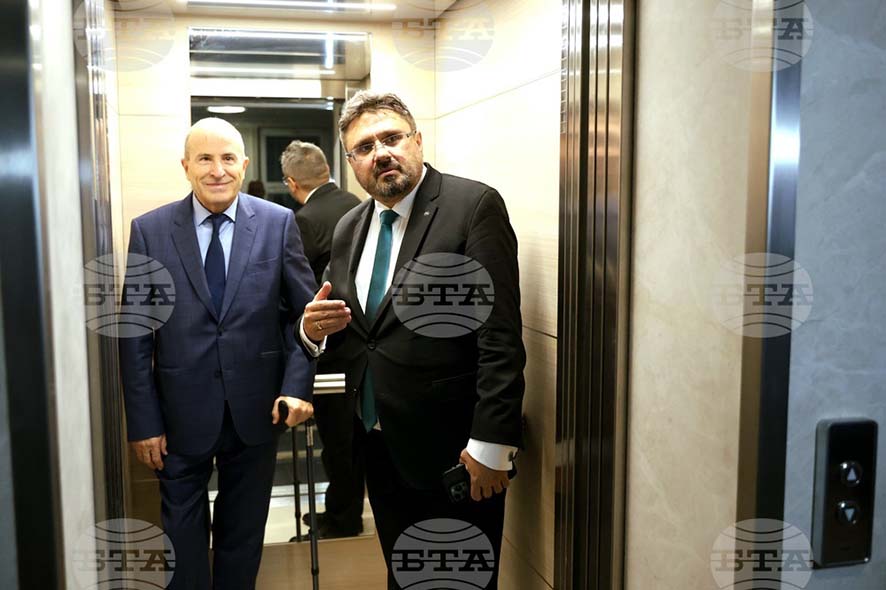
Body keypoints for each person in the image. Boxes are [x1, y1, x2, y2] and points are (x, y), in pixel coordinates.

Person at [300, 92, 526, 589]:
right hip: (379, 447)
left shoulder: (472, 207)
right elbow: (357, 333)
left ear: (417, 141)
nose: (380, 153)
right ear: (351, 162)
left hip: (456, 454)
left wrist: (491, 444)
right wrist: (311, 332)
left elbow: (500, 335)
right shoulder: (349, 227)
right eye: (364, 147)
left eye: (391, 138)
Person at [119, 117, 317, 590]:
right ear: (186, 166)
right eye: (204, 159)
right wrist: (144, 423)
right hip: (178, 417)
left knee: (242, 536)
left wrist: (296, 387)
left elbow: (304, 319)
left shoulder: (278, 223)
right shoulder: (150, 231)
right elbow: (135, 334)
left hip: (257, 412)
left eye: (228, 158)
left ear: (244, 164)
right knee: (181, 537)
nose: (217, 170)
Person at [279, 140, 364, 538]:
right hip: (365, 341)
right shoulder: (359, 205)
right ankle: (344, 510)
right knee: (355, 436)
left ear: (292, 183)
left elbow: (300, 287)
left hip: (330, 345)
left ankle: (341, 518)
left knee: (336, 438)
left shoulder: (304, 219)